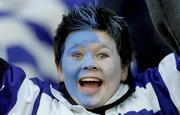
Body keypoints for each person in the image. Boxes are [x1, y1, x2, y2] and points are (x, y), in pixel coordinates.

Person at [0, 4, 179, 115]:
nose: (89, 64)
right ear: (60, 69)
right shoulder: (32, 104)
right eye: (76, 55)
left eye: (102, 55)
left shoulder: (158, 93)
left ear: (124, 68)